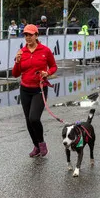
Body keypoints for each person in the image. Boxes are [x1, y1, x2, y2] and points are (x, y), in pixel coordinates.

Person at [12, 24, 58, 158]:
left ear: (36, 36)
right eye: (26, 35)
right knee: (28, 120)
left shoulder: (45, 51)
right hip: (25, 89)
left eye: (30, 35)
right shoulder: (22, 52)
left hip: (39, 89)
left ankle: (42, 143)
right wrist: (17, 62)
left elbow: (54, 66)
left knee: (34, 118)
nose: (28, 37)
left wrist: (47, 73)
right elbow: (15, 74)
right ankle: (36, 146)